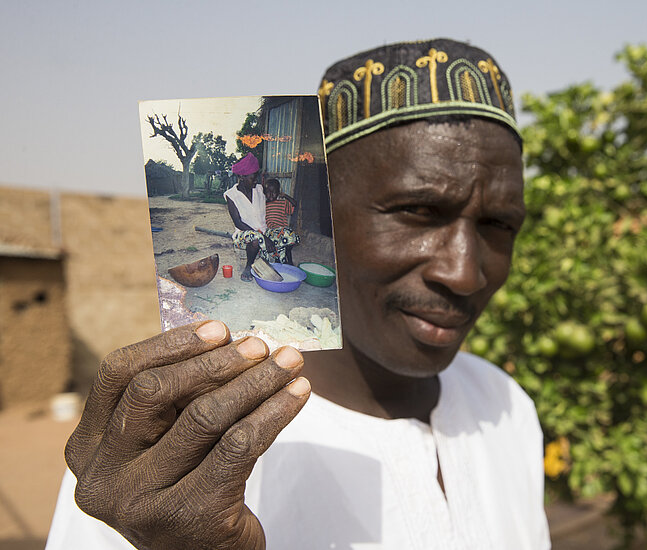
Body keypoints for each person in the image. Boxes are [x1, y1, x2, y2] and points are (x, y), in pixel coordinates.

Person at [47, 38, 551, 549]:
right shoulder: (170, 457)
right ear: (327, 213)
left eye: (498, 224)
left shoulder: (503, 406)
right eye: (416, 212)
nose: (464, 274)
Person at [223, 153, 280, 280]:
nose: (256, 181)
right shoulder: (231, 195)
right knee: (255, 239)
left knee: (288, 234)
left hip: (264, 231)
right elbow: (238, 222)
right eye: (253, 178)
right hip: (243, 234)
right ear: (241, 177)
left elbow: (271, 197)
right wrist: (262, 236)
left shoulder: (259, 189)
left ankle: (284, 263)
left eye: (256, 177)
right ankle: (248, 267)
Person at [262, 177, 299, 265]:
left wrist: (285, 196)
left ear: (278, 192)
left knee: (288, 240)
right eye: (268, 192)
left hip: (283, 230)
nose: (271, 195)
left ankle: (288, 261)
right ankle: (280, 260)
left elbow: (294, 204)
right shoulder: (263, 205)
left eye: (274, 192)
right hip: (271, 232)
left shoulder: (283, 203)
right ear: (264, 193)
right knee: (279, 245)